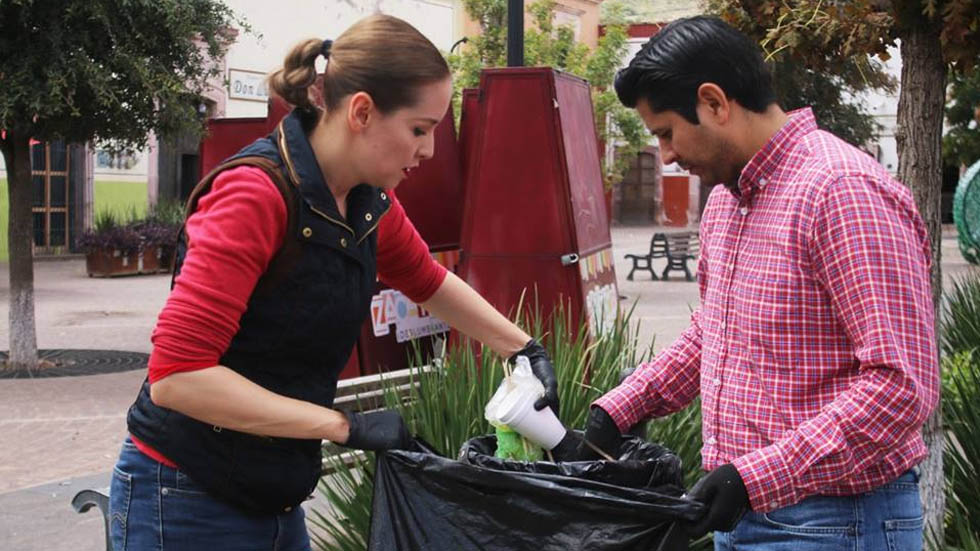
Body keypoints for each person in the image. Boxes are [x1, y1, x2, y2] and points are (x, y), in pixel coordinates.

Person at [109, 14, 559, 550]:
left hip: (272, 493)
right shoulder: (254, 196)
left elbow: (428, 281)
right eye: (420, 129)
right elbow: (179, 378)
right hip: (185, 496)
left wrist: (522, 348)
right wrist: (343, 425)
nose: (429, 151)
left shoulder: (365, 202)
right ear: (362, 111)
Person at [581, 15, 939, 550]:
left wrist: (755, 478)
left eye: (666, 133)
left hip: (840, 523)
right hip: (748, 515)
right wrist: (621, 407)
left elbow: (900, 387)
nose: (668, 155)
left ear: (714, 103)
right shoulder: (728, 200)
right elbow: (718, 330)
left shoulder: (842, 192)